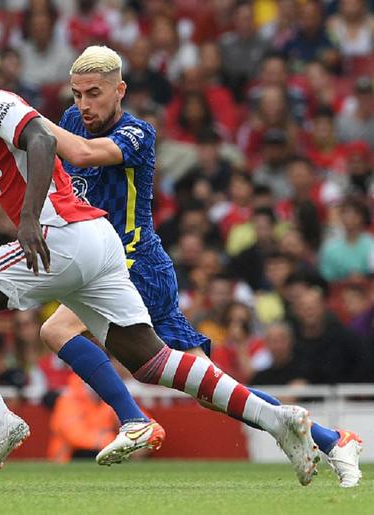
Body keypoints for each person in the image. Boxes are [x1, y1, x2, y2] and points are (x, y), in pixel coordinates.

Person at [0, 44, 318, 487]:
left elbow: (40, 139)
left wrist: (30, 218)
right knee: (153, 362)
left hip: (62, 235)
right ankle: (278, 419)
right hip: (98, 240)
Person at [37, 45, 361, 488]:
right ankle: (331, 438)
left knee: (56, 329)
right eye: (77, 95)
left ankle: (133, 419)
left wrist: (20, 117)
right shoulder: (72, 122)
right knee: (210, 388)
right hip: (107, 261)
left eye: (94, 93)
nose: (84, 104)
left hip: (133, 261)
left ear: (120, 90)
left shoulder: (137, 133)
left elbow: (84, 154)